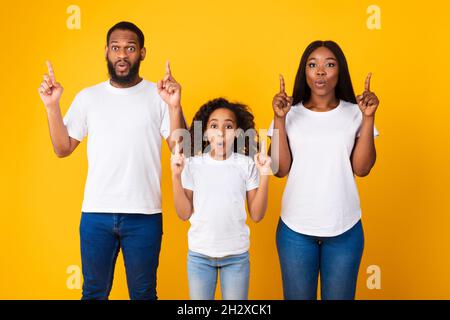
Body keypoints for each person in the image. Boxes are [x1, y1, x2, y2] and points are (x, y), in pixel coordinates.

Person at [37, 21, 186, 300]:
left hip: (144, 214)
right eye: (115, 48)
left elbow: (182, 150)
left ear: (142, 53)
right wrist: (51, 106)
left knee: (143, 294)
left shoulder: (159, 97)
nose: (122, 55)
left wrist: (175, 105)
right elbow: (62, 148)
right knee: (93, 293)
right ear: (106, 51)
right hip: (96, 214)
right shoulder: (88, 97)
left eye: (130, 48)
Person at [268, 40, 380, 300]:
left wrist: (369, 117)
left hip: (345, 230)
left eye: (329, 65)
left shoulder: (356, 113)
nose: (320, 71)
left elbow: (362, 169)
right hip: (295, 229)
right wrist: (279, 119)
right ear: (304, 72)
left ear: (339, 72)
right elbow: (279, 169)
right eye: (312, 64)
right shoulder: (289, 113)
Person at [170, 98, 271, 300]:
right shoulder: (192, 165)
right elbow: (183, 214)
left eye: (229, 126)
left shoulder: (246, 165)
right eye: (214, 125)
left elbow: (257, 215)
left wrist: (265, 174)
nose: (221, 133)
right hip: (199, 256)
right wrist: (175, 176)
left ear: (238, 133)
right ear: (205, 132)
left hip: (236, 257)